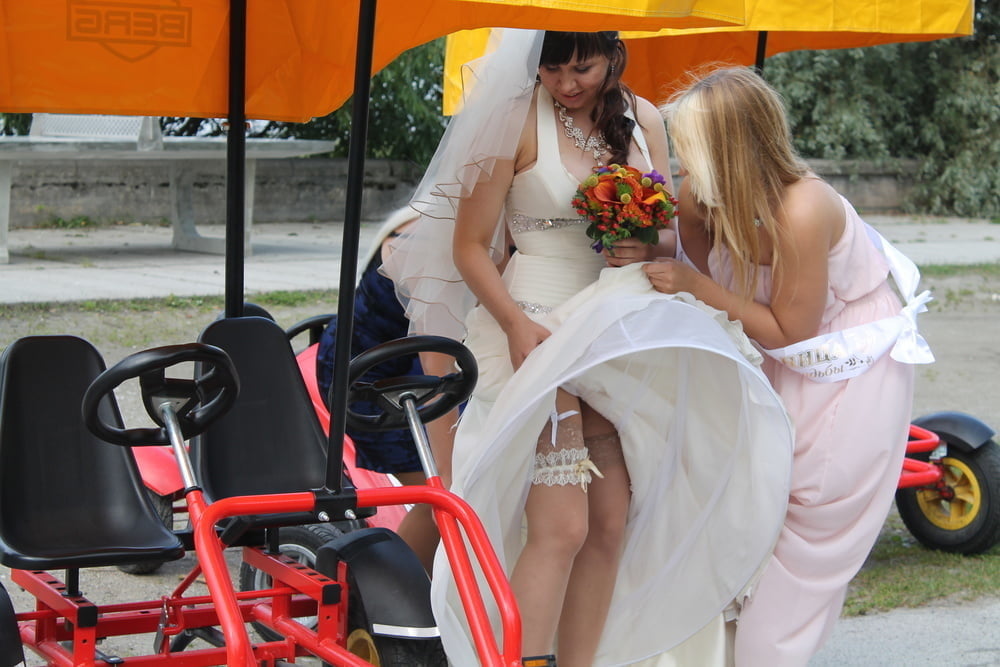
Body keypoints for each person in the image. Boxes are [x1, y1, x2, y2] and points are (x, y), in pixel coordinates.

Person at [384, 30, 795, 667]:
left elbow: (666, 235)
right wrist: (514, 325)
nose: (567, 84)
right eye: (552, 70)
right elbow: (469, 247)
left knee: (609, 523)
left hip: (616, 331)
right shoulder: (512, 118)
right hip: (536, 330)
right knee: (562, 526)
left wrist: (644, 244)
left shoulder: (643, 117)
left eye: (583, 68)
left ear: (613, 56)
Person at [645, 66, 934, 666]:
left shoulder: (803, 209)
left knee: (803, 524)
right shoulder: (703, 195)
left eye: (691, 148)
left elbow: (788, 329)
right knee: (744, 512)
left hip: (842, 369)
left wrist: (694, 287)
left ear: (729, 148)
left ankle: (768, 652)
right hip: (774, 360)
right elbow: (710, 267)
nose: (681, 162)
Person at [316, 206, 459, 573]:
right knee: (443, 490)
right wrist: (446, 465)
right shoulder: (427, 241)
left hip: (418, 363)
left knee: (459, 483)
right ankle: (397, 588)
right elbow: (436, 357)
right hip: (370, 377)